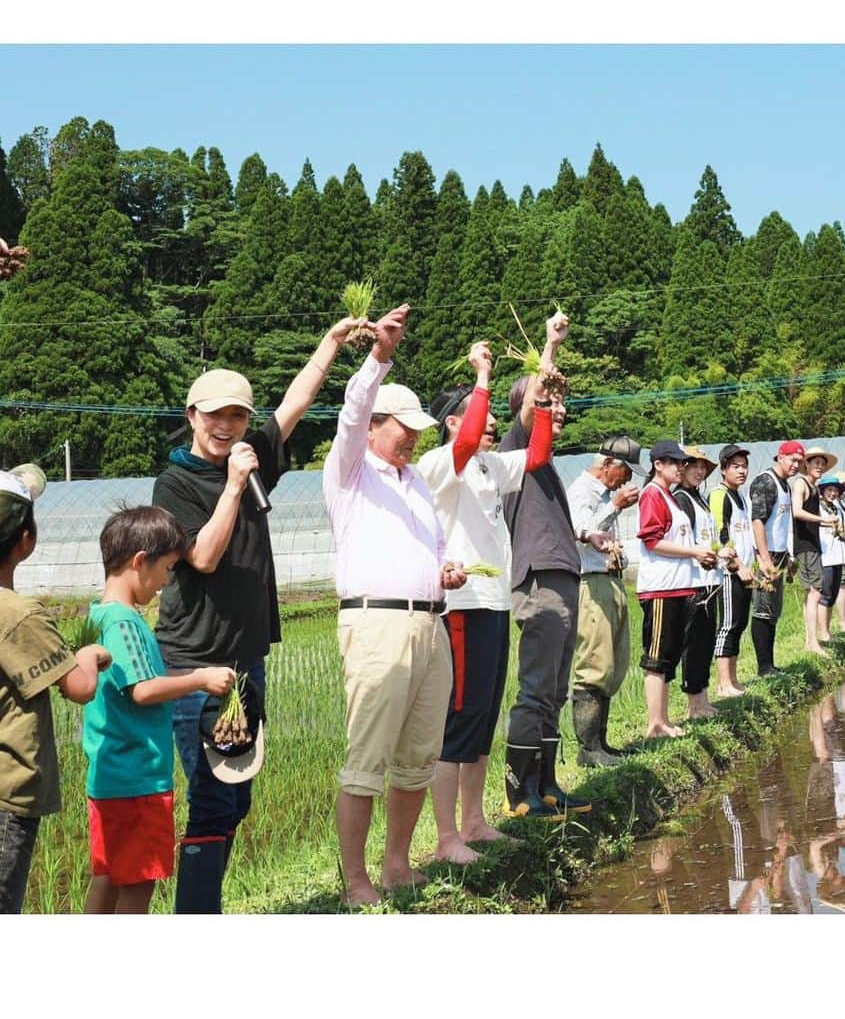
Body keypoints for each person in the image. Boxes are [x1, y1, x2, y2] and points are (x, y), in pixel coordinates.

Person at [154, 313, 362, 914]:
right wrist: (232, 484)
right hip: (196, 662)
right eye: (216, 414)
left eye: (238, 415)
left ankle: (205, 908)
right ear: (193, 416)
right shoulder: (174, 484)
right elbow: (204, 557)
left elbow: (295, 404)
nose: (227, 426)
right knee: (212, 796)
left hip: (247, 657)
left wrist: (329, 344)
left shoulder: (251, 456)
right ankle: (197, 918)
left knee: (237, 794)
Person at [324, 303, 468, 906]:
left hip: (430, 623)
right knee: (368, 756)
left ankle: (398, 863)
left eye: (416, 428)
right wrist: (379, 355)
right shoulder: (351, 472)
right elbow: (352, 413)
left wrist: (446, 572)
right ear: (376, 423)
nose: (411, 436)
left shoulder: (416, 486)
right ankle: (355, 879)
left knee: (417, 755)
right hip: (377, 622)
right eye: (401, 426)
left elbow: (428, 551)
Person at [417, 339, 554, 861]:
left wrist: (542, 405)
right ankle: (446, 836)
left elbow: (538, 454)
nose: (492, 424)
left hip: (494, 601)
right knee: (457, 720)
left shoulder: (489, 467)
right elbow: (471, 434)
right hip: (463, 603)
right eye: (483, 414)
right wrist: (481, 376)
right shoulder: (440, 464)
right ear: (453, 421)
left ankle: (473, 823)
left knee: (481, 716)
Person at [82, 507, 235, 914]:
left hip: (110, 778)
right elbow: (144, 689)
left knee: (109, 873)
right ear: (139, 562)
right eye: (166, 569)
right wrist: (200, 678)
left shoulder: (97, 616)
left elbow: (145, 675)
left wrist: (189, 674)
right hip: (137, 779)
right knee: (139, 881)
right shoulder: (124, 623)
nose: (167, 582)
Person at [0, 465, 110, 914]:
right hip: (7, 795)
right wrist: (91, 655)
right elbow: (80, 687)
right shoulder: (21, 615)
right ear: (27, 540)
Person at [501, 311, 595, 817]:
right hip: (538, 580)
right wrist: (550, 347)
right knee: (536, 688)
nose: (558, 409)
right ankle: (519, 794)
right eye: (549, 403)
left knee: (555, 690)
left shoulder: (547, 464)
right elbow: (535, 399)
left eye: (559, 403)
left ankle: (548, 785)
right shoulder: (517, 450)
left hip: (561, 577)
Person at [566, 434, 642, 767]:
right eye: (626, 470)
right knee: (595, 663)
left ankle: (602, 744)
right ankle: (588, 749)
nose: (628, 479)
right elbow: (580, 533)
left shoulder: (605, 495)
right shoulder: (582, 492)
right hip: (590, 583)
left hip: (610, 580)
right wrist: (615, 507)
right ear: (608, 464)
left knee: (613, 663)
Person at [637, 440, 721, 737]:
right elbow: (652, 540)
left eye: (682, 463)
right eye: (675, 462)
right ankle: (655, 723)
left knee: (670, 655)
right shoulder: (652, 495)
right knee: (657, 656)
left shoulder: (670, 496)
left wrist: (701, 552)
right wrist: (694, 553)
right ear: (658, 464)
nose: (680, 468)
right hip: (660, 588)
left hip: (678, 587)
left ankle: (664, 719)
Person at [672, 446, 723, 717]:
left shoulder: (698, 498)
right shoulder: (681, 498)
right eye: (694, 466)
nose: (700, 471)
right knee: (694, 642)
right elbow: (686, 540)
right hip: (694, 580)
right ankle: (695, 705)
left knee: (705, 641)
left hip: (709, 578)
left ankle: (703, 699)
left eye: (703, 468)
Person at [748, 440, 805, 675]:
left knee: (773, 611)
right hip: (766, 555)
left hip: (780, 554)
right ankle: (763, 667)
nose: (796, 465)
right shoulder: (766, 482)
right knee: (762, 610)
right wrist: (765, 559)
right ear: (780, 456)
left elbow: (781, 525)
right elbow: (758, 521)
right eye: (793, 460)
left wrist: (788, 556)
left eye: (799, 462)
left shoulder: (786, 485)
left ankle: (770, 664)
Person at [709, 444, 756, 697]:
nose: (742, 471)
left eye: (744, 466)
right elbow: (720, 532)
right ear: (724, 469)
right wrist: (737, 565)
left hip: (745, 571)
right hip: (729, 572)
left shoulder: (741, 496)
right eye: (735, 466)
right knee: (727, 625)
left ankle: (734, 679)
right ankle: (723, 683)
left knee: (739, 623)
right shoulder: (720, 495)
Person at [790, 446, 837, 656]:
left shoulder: (814, 487)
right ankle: (811, 641)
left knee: (813, 592)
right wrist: (822, 519)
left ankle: (812, 639)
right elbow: (797, 511)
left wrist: (826, 524)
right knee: (814, 592)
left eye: (822, 464)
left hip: (813, 542)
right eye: (815, 463)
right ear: (806, 464)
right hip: (805, 545)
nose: (819, 467)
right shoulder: (800, 483)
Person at [817, 476, 845, 639]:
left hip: (838, 556)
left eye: (835, 490)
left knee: (832, 594)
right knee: (825, 594)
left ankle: (827, 630)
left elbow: (841, 535)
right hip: (825, 556)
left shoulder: (837, 509)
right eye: (829, 490)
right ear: (823, 491)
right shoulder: (818, 509)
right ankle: (824, 632)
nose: (833, 493)